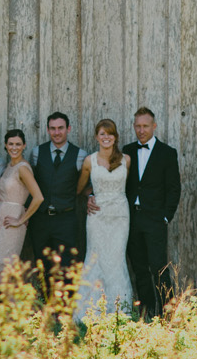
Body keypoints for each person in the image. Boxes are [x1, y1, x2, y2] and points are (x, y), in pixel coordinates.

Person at [122, 107, 181, 318]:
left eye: (145, 126)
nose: (141, 130)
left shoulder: (167, 153)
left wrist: (165, 216)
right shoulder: (126, 150)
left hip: (155, 219)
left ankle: (169, 314)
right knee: (139, 268)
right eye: (137, 126)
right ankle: (147, 313)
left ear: (154, 126)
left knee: (159, 268)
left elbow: (174, 189)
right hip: (131, 218)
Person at [74, 119, 134, 322]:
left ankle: (118, 309)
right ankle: (91, 310)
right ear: (96, 137)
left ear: (115, 137)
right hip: (97, 216)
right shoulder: (89, 161)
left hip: (119, 216)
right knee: (96, 258)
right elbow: (80, 188)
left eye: (110, 134)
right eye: (102, 134)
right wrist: (89, 197)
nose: (106, 137)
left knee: (116, 260)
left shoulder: (126, 160)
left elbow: (131, 186)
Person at [27, 112, 84, 275]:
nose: (57, 132)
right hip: (41, 219)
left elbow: (85, 184)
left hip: (66, 219)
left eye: (60, 128)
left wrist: (92, 196)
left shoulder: (80, 155)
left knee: (66, 268)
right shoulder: (37, 153)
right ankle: (46, 301)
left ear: (68, 129)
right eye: (53, 128)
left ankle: (65, 301)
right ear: (47, 130)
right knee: (43, 268)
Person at [0, 129, 45, 284]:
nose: (14, 147)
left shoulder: (22, 167)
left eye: (18, 144)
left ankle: (15, 306)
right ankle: (12, 307)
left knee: (2, 275)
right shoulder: (10, 166)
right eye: (11, 144)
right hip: (0, 223)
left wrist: (21, 220)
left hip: (12, 223)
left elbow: (38, 197)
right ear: (5, 145)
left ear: (24, 146)